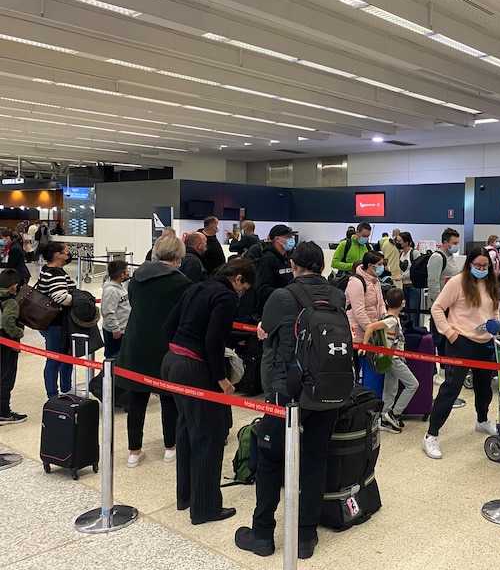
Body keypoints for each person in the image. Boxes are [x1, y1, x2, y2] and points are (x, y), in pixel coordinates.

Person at [234, 241, 345, 559]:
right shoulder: (336, 295)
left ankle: (262, 535)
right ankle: (305, 538)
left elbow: (266, 333)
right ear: (322, 267)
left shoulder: (280, 296)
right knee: (315, 461)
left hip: (287, 393)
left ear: (293, 265)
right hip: (327, 392)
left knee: (269, 461)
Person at [161, 260, 254, 525]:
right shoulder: (225, 297)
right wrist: (221, 378)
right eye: (244, 287)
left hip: (172, 360)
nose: (242, 292)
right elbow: (213, 339)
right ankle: (205, 508)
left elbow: (169, 325)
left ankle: (186, 496)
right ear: (237, 279)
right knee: (209, 436)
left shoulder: (196, 287)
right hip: (194, 368)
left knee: (186, 429)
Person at [116, 236, 191, 468]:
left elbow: (133, 303)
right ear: (178, 256)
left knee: (137, 399)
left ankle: (134, 451)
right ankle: (171, 447)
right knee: (169, 398)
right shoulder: (182, 283)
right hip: (165, 346)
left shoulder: (137, 278)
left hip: (136, 344)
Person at [423, 247, 500, 459]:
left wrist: (495, 322)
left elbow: (495, 307)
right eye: (478, 266)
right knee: (451, 388)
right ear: (470, 264)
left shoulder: (491, 281)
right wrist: (449, 333)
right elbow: (437, 308)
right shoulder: (457, 282)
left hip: (484, 342)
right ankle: (431, 435)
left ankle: (482, 420)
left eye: (485, 266)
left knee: (484, 387)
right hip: (460, 342)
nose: (482, 269)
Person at [363, 288, 419, 433]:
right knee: (412, 384)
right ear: (403, 303)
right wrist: (364, 345)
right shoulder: (391, 320)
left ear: (387, 302)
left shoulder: (386, 317)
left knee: (390, 389)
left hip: (389, 358)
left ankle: (384, 418)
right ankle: (394, 413)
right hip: (394, 358)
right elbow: (370, 327)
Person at [35, 242, 75, 399]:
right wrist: (79, 299)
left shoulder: (48, 270)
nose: (68, 254)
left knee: (65, 356)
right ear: (58, 255)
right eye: (66, 252)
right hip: (55, 323)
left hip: (54, 322)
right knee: (55, 359)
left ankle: (65, 389)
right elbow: (60, 298)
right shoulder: (55, 273)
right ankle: (53, 394)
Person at [427, 228, 462, 403]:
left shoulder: (450, 258)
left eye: (458, 243)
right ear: (445, 242)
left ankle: (445, 369)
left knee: (446, 340)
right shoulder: (437, 258)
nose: (456, 246)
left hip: (451, 307)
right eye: (454, 243)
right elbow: (433, 283)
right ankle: (434, 372)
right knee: (436, 339)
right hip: (440, 307)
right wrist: (438, 306)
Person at [0, 268, 25, 423]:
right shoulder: (10, 302)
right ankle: (3, 412)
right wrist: (18, 333)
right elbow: (8, 322)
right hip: (6, 342)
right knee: (6, 377)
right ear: (14, 286)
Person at [255, 225, 297, 312]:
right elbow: (262, 289)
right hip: (271, 309)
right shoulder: (267, 260)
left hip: (285, 307)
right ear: (278, 239)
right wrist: (285, 294)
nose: (291, 239)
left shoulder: (287, 258)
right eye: (288, 237)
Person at [345, 252, 386, 340]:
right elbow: (359, 312)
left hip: (373, 330)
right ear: (370, 265)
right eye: (379, 264)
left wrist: (384, 319)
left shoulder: (376, 281)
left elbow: (380, 303)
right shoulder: (356, 282)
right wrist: (371, 329)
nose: (382, 267)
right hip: (358, 331)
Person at [101, 260, 131, 359]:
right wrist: (115, 329)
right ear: (121, 274)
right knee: (113, 357)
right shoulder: (111, 290)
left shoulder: (121, 287)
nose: (128, 273)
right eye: (127, 271)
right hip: (115, 332)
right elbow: (108, 311)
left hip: (123, 329)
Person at [395, 231, 421, 328]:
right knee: (406, 312)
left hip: (413, 287)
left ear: (406, 242)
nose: (397, 243)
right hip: (404, 286)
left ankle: (415, 333)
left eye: (399, 241)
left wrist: (404, 276)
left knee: (414, 314)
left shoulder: (414, 253)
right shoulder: (401, 254)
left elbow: (417, 270)